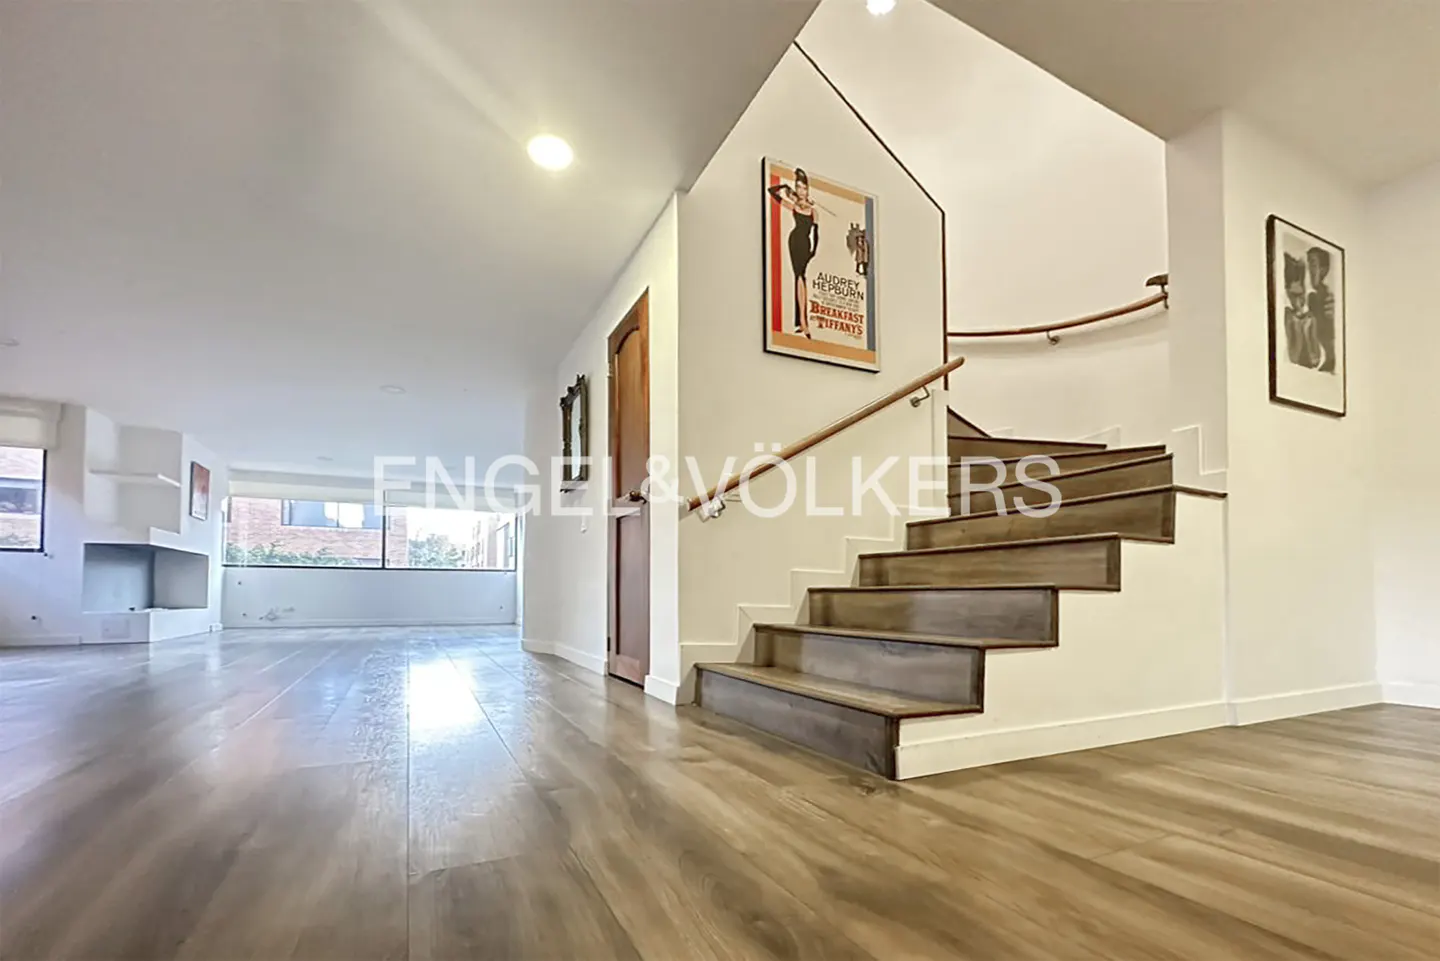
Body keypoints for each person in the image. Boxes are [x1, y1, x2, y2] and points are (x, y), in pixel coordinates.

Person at [767, 168, 819, 337]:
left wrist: (813, 250)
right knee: (799, 277)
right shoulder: (794, 206)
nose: (800, 191)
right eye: (798, 187)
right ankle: (803, 323)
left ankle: (801, 321)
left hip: (806, 243)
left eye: (803, 188)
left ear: (808, 190)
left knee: (801, 278)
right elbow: (771, 192)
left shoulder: (813, 210)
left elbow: (815, 233)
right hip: (794, 241)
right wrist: (783, 186)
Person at [1283, 253, 1322, 369]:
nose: (1300, 301)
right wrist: (1299, 330)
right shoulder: (1288, 316)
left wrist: (1307, 330)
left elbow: (1315, 360)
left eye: (1302, 294)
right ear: (1288, 294)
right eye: (1295, 295)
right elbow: (1293, 359)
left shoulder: (1310, 317)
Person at [1306, 247, 1336, 372]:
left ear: (1323, 270)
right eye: (1308, 264)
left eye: (1313, 264)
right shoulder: (1310, 297)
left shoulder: (1326, 298)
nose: (1309, 270)